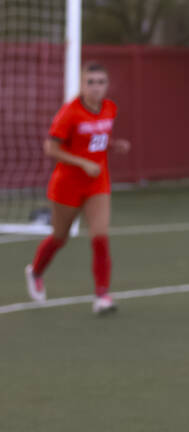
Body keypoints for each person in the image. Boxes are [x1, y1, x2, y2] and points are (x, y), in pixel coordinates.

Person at [23, 62, 130, 314]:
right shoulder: (69, 112)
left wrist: (115, 145)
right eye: (90, 82)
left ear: (107, 85)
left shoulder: (110, 109)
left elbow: (96, 138)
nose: (96, 87)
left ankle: (102, 296)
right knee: (59, 237)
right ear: (82, 85)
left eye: (101, 82)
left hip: (97, 183)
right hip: (67, 186)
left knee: (100, 237)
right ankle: (36, 271)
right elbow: (51, 148)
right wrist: (82, 163)